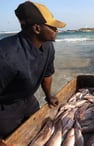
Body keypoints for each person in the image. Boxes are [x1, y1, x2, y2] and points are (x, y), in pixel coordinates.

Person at [0, 1, 66, 139]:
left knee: (38, 132)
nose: (56, 30)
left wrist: (49, 96)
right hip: (6, 109)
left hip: (29, 100)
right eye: (52, 27)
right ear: (37, 28)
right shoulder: (5, 55)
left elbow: (47, 75)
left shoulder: (48, 47)